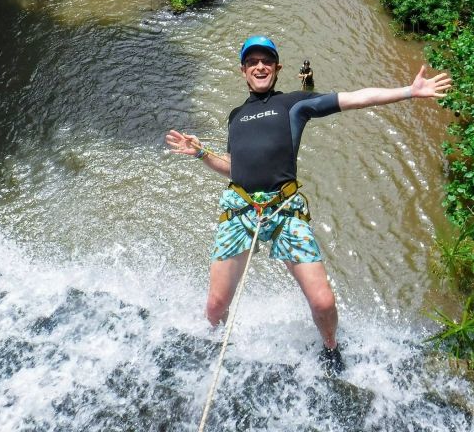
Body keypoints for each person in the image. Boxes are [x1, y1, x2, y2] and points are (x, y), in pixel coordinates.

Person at [165, 35, 451, 375]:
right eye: (253, 62)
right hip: (240, 209)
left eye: (266, 61)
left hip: (285, 210)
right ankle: (215, 346)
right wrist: (201, 153)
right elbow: (234, 166)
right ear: (243, 70)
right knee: (214, 306)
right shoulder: (235, 116)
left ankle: (330, 348)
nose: (260, 66)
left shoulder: (294, 105)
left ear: (277, 68)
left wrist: (408, 91)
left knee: (323, 301)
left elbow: (354, 99)